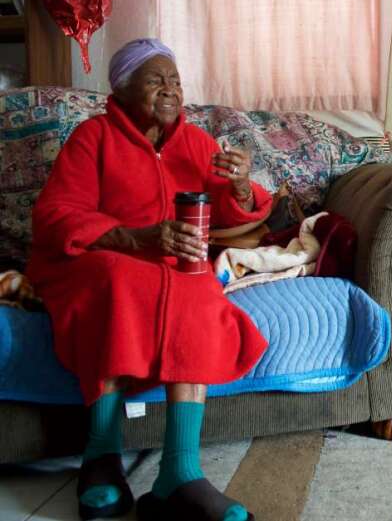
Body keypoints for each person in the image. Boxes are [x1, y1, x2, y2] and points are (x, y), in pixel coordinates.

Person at [26, 39, 271, 520]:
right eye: (156, 79)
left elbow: (229, 211)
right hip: (103, 256)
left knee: (197, 287)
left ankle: (179, 475)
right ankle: (101, 456)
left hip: (171, 265)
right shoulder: (93, 137)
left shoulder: (198, 143)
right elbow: (55, 214)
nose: (171, 90)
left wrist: (241, 185)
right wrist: (134, 239)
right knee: (115, 279)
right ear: (122, 88)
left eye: (176, 80)